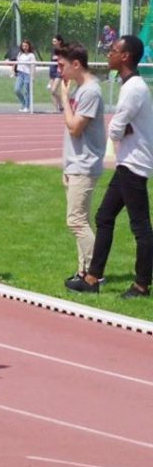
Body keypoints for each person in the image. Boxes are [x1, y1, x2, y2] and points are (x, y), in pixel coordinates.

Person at [67, 35, 153, 298]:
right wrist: (121, 132)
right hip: (127, 163)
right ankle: (92, 278)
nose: (109, 54)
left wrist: (117, 136)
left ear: (125, 57)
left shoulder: (134, 88)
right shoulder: (131, 85)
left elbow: (116, 125)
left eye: (114, 50)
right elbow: (123, 125)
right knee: (104, 216)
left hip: (134, 164)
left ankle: (141, 285)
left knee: (141, 227)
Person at [55, 41, 106, 287]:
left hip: (84, 165)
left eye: (62, 65)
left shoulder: (90, 91)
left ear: (76, 64)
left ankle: (95, 273)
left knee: (75, 221)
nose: (59, 70)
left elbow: (75, 128)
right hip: (74, 164)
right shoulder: (80, 89)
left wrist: (65, 99)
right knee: (80, 220)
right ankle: (83, 271)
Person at [11, 39, 37, 112]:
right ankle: (23, 102)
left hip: (27, 74)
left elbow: (34, 66)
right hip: (20, 74)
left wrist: (33, 76)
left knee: (27, 91)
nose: (24, 47)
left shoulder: (31, 55)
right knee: (17, 89)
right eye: (23, 46)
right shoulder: (20, 54)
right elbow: (15, 63)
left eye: (26, 46)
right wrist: (13, 71)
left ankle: (27, 106)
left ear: (29, 46)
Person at [48, 35, 65, 112]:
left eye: (55, 41)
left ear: (59, 41)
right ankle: (56, 108)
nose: (53, 43)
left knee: (54, 90)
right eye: (53, 41)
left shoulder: (63, 49)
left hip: (59, 70)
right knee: (52, 91)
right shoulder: (53, 50)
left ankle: (62, 104)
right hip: (52, 70)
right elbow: (52, 60)